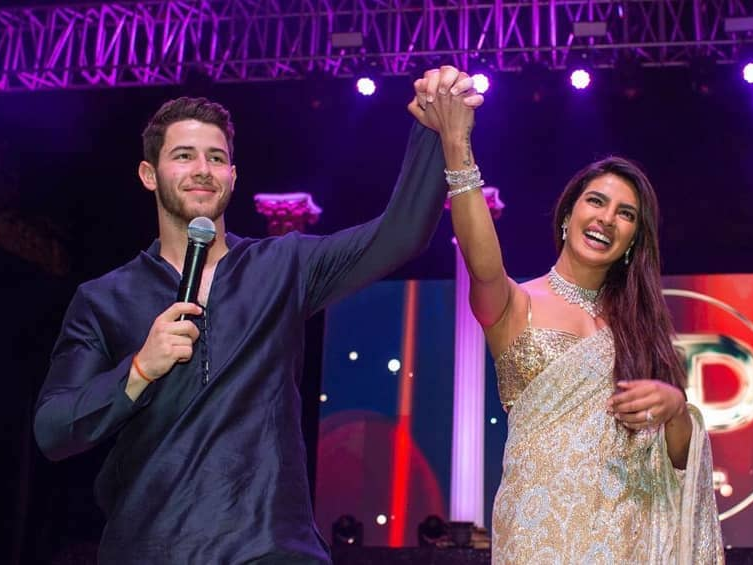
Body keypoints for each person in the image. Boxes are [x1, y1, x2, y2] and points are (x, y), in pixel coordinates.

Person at [33, 72, 482, 564]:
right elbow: (54, 429)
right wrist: (139, 369)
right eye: (183, 156)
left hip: (270, 545)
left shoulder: (283, 266)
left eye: (216, 158)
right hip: (153, 547)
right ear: (148, 174)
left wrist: (430, 131)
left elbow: (400, 235)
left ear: (233, 176)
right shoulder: (104, 299)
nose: (202, 169)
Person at [413, 71, 724, 563]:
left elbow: (679, 466)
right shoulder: (516, 304)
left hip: (626, 542)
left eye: (626, 214)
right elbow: (481, 260)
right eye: (596, 201)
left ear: (633, 242)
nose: (606, 218)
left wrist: (675, 409)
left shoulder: (641, 332)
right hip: (538, 539)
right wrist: (456, 144)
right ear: (567, 215)